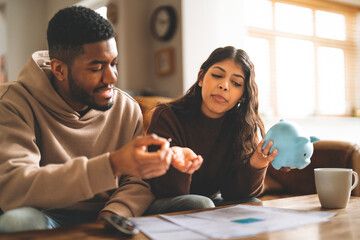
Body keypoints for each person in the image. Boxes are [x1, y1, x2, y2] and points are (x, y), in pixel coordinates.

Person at [0, 6, 173, 233]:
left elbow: (137, 181)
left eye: (114, 63)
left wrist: (115, 213)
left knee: (196, 205)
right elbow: (16, 187)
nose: (112, 77)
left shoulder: (126, 108)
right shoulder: (12, 103)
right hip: (46, 213)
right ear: (59, 70)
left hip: (111, 210)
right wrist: (112, 165)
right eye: (97, 67)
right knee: (17, 222)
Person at [145, 46, 282, 215]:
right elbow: (168, 191)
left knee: (252, 204)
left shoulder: (242, 126)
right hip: (163, 202)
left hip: (208, 203)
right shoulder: (167, 116)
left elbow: (236, 194)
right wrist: (181, 161)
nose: (224, 85)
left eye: (236, 83)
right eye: (217, 75)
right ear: (201, 78)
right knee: (201, 203)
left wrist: (257, 163)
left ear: (243, 95)